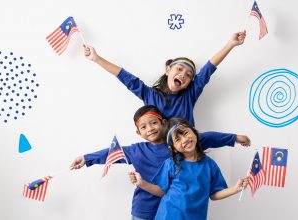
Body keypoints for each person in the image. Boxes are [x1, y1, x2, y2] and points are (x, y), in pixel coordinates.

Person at [70, 105, 251, 220]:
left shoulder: (181, 142)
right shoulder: (139, 150)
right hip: (145, 209)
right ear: (138, 133)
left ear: (162, 122)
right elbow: (113, 154)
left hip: (178, 211)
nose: (150, 129)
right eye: (144, 127)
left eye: (154, 123)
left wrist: (235, 138)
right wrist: (87, 159)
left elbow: (210, 137)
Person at [84, 31, 246, 125]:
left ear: (189, 83)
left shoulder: (189, 96)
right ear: (168, 70)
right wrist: (96, 58)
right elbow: (125, 77)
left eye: (189, 75)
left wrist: (231, 44)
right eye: (179, 69)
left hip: (187, 154)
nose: (183, 75)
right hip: (160, 156)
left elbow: (208, 69)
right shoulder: (150, 95)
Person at [129, 117, 249, 220]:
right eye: (177, 139)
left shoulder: (209, 165)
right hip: (167, 216)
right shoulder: (170, 164)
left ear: (194, 132)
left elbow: (214, 194)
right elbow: (161, 190)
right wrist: (142, 183)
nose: (184, 140)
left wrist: (236, 188)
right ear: (173, 148)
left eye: (185, 133)